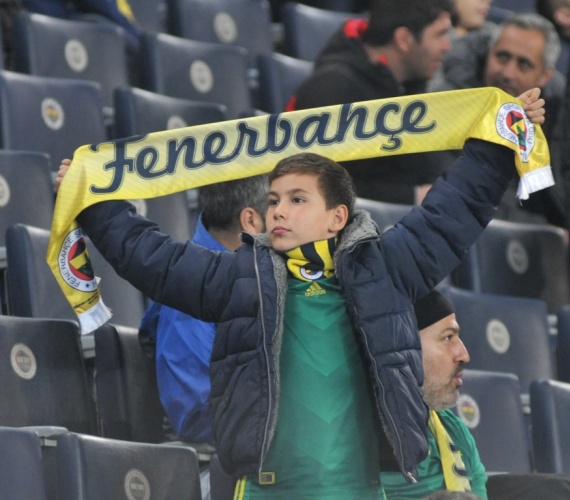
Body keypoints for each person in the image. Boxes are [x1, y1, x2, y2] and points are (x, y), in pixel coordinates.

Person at [55, 89, 545, 498]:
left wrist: (500, 140)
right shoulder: (240, 279)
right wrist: (94, 202)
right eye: (273, 201)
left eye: (296, 199)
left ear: (337, 217)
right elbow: (152, 260)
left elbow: (451, 214)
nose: (279, 212)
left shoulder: (387, 268)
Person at [139, 175, 268, 446]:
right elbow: (196, 416)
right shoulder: (186, 298)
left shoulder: (275, 276)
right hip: (222, 461)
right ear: (251, 221)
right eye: (279, 204)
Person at [287, 0, 456, 205]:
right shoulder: (332, 89)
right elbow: (316, 185)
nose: (448, 46)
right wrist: (412, 196)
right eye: (440, 34)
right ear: (403, 39)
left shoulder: (410, 84)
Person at [431, 12, 566, 227]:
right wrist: (546, 232)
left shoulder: (558, 115)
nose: (508, 73)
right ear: (488, 53)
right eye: (502, 57)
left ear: (545, 76)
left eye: (523, 64)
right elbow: (457, 195)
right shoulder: (451, 103)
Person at [380, 290, 487, 498]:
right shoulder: (350, 439)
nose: (464, 355)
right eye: (448, 337)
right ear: (404, 351)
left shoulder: (454, 430)